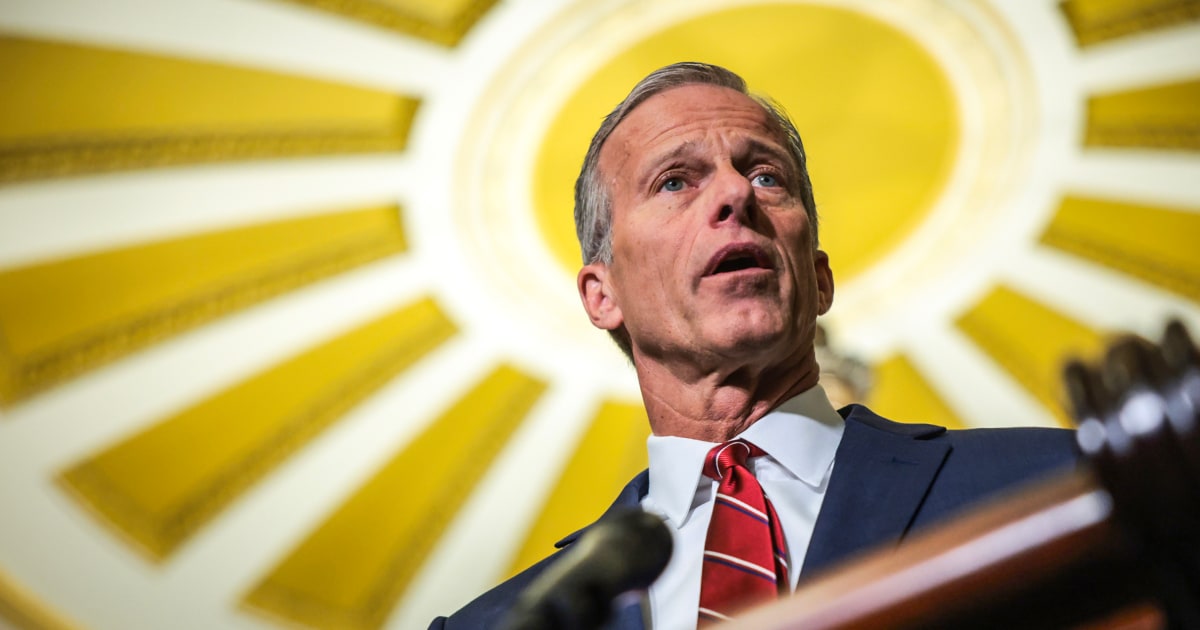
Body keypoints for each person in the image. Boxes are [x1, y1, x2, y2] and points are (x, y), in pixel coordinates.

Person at [431, 62, 1077, 629]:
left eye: (767, 176)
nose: (737, 193)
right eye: (674, 182)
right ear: (603, 296)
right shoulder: (494, 626)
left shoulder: (1057, 483)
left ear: (819, 279)